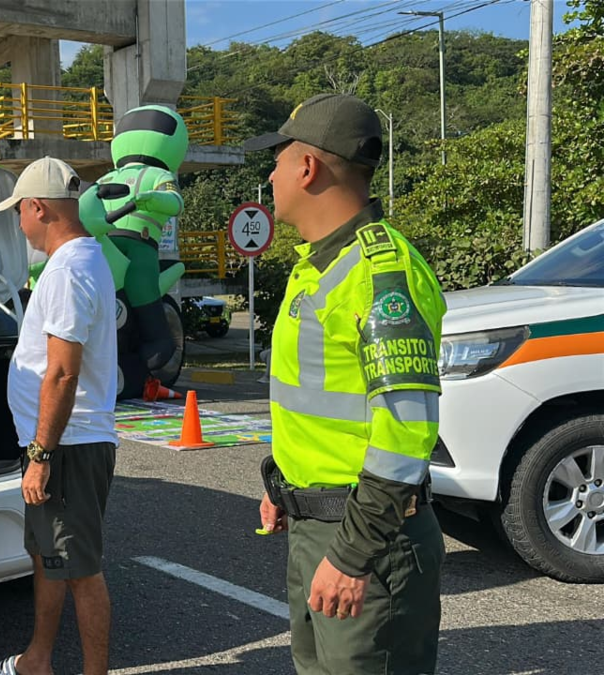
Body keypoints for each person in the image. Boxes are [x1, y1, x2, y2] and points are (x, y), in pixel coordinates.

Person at [244, 93, 446, 675]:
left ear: (308, 168)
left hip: (367, 541)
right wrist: (284, 480)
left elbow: (405, 433)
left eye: (278, 160)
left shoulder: (381, 273)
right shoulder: (318, 266)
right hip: (317, 525)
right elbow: (321, 400)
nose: (271, 175)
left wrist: (354, 554)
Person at [0, 157, 119, 675]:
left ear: (37, 207)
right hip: (61, 443)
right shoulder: (81, 262)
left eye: (19, 212)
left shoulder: (68, 271)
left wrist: (42, 455)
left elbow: (62, 374)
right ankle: (36, 659)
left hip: (67, 446)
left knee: (81, 567)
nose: (18, 224)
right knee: (50, 556)